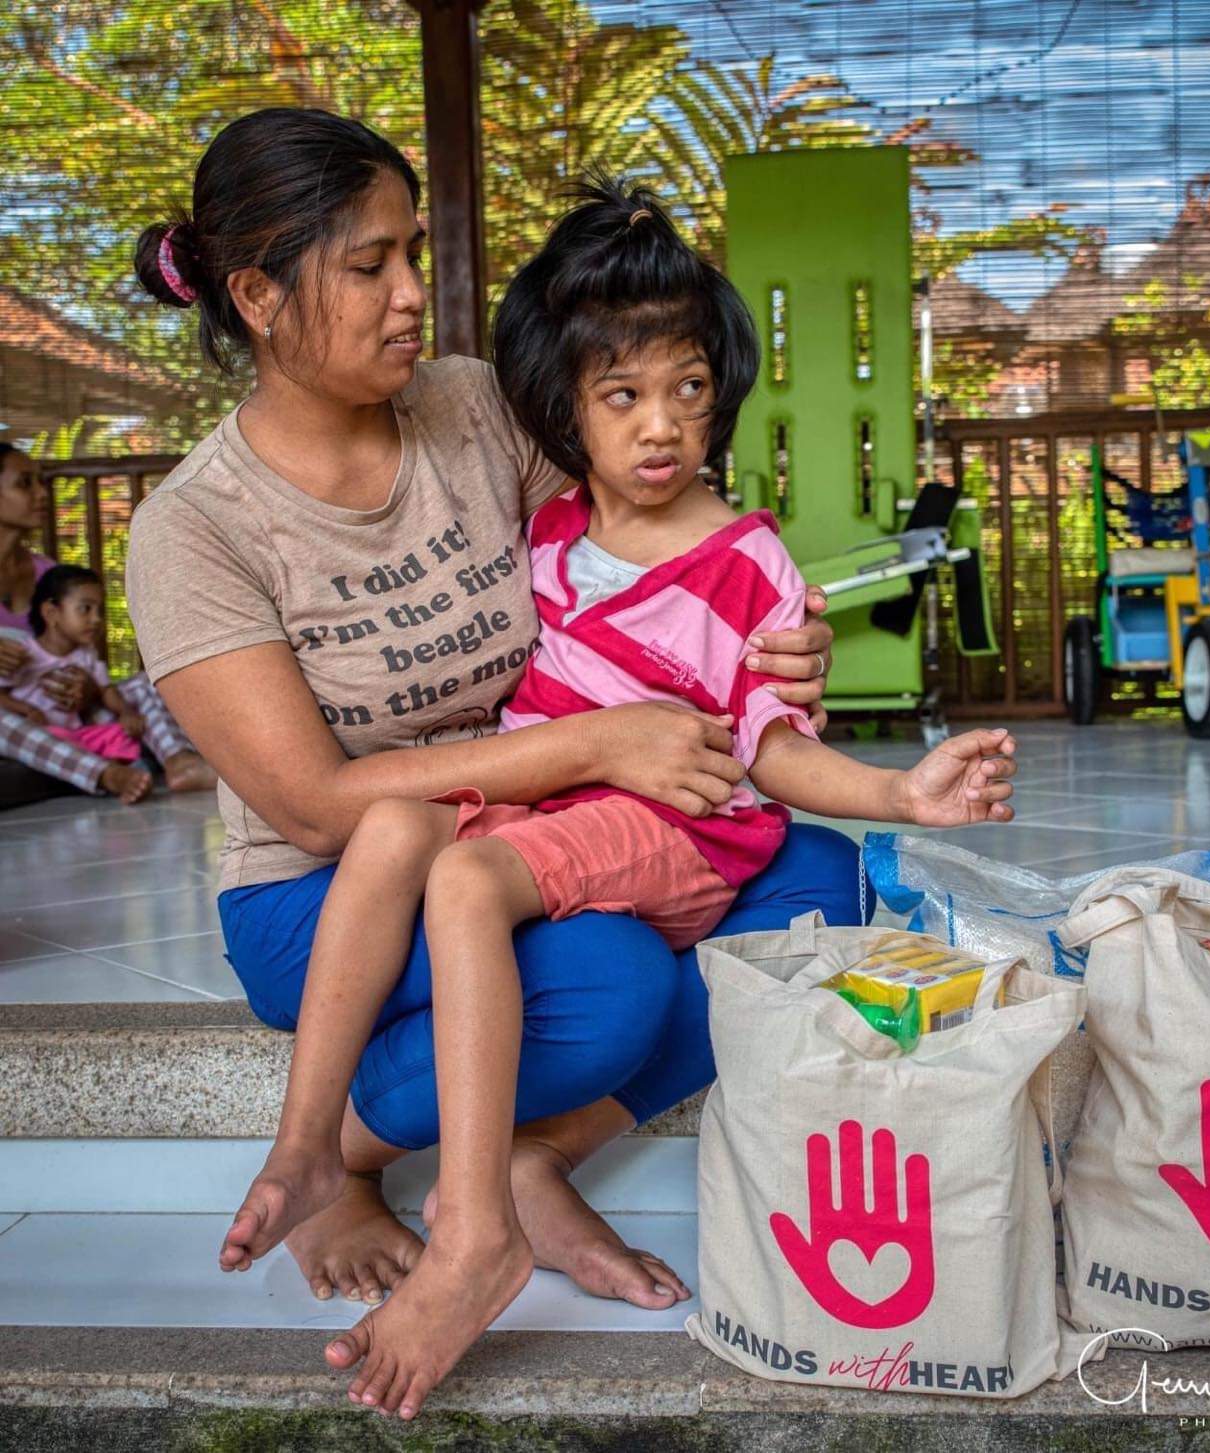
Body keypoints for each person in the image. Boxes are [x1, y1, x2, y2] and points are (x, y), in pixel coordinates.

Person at [216, 178, 1018, 1419]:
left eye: (688, 391)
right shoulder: (549, 531)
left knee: (480, 879)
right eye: (623, 397)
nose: (660, 427)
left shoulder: (738, 557)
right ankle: (312, 1146)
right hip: (538, 802)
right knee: (392, 833)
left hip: (668, 816)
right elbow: (335, 796)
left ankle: (474, 1223)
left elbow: (767, 745)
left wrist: (897, 791)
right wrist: (592, 745)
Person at [123, 108, 877, 1326]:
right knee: (607, 981)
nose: (412, 295)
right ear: (258, 296)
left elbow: (643, 540)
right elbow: (312, 806)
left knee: (819, 880)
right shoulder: (195, 528)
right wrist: (594, 743)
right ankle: (339, 1156)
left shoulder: (472, 408)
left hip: (544, 818)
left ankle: (540, 1159)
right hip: (332, 885)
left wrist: (769, 637)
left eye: (412, 253)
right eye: (370, 266)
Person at [0, 443, 215, 800]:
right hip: (16, 710)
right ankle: (106, 774)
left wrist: (88, 688)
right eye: (25, 483)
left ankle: (180, 762)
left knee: (149, 683)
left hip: (68, 710)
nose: (41, 493)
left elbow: (82, 651)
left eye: (40, 482)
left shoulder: (48, 574)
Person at [0, 564, 153, 801]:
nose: (96, 619)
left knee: (121, 726)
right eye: (85, 609)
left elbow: (106, 690)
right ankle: (109, 773)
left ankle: (131, 767)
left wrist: (125, 713)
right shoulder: (25, 653)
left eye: (100, 611)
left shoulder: (87, 655)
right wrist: (26, 710)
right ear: (51, 613)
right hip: (43, 731)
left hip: (77, 733)